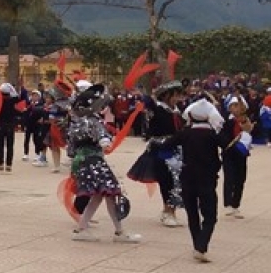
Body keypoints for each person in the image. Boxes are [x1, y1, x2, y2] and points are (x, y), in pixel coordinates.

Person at [64, 84, 142, 244]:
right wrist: (106, 142)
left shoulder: (74, 122)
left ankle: (82, 229)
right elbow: (103, 140)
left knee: (99, 196)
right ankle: (119, 232)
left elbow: (70, 150)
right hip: (94, 161)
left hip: (82, 161)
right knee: (110, 193)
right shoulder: (93, 121)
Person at [155, 97, 227, 262]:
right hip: (207, 179)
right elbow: (230, 147)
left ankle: (197, 245)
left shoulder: (185, 134)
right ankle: (201, 246)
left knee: (192, 214)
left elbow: (165, 146)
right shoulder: (212, 135)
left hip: (187, 177)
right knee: (210, 216)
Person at [129, 81, 186, 228]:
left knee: (178, 180)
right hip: (161, 148)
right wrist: (145, 94)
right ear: (166, 95)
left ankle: (170, 210)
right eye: (175, 95)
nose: (178, 98)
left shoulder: (177, 111)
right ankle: (168, 211)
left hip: (177, 147)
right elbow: (147, 102)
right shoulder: (157, 109)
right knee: (167, 179)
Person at [222, 94, 252, 218]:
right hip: (228, 153)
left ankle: (236, 205)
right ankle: (228, 204)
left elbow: (248, 129)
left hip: (241, 153)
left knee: (240, 179)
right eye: (233, 106)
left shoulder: (245, 120)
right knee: (229, 178)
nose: (235, 108)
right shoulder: (225, 120)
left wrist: (243, 119)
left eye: (238, 106)